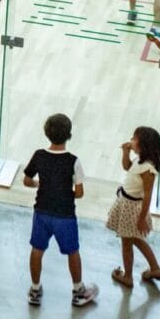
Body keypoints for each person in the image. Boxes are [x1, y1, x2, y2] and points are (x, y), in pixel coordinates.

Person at [23, 113, 98, 307]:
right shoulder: (74, 161)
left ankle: (35, 289)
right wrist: (63, 193)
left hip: (41, 212)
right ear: (69, 135)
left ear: (46, 133)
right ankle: (78, 290)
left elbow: (27, 180)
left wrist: (40, 184)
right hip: (65, 215)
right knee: (72, 251)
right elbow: (79, 193)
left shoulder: (39, 155)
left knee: (37, 250)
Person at [107, 126, 160, 289]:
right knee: (137, 240)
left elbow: (147, 194)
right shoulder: (139, 161)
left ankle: (127, 277)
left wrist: (141, 219)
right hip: (129, 205)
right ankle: (155, 268)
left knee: (127, 243)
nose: (131, 140)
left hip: (132, 208)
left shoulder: (148, 169)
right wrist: (125, 152)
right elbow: (127, 167)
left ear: (143, 145)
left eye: (134, 139)